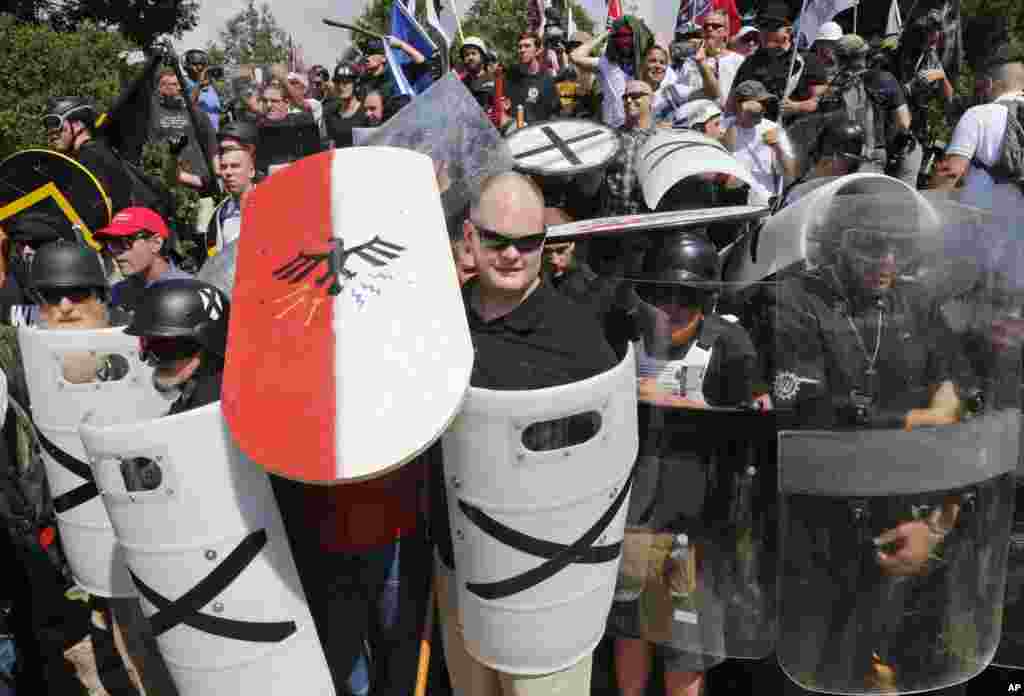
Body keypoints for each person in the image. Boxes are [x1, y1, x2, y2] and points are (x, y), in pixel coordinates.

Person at [434, 171, 617, 696]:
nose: (512, 255)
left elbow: (606, 467)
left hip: (547, 577)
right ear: (469, 237)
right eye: (496, 240)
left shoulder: (580, 340)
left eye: (528, 242)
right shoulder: (438, 324)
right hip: (458, 564)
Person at [610, 229, 759, 696]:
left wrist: (677, 402)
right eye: (662, 295)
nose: (672, 308)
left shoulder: (728, 345)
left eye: (687, 297)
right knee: (630, 631)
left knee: (683, 645)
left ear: (707, 299)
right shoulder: (626, 339)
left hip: (691, 527)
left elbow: (753, 422)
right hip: (633, 518)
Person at [29, 240, 181, 696]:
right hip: (93, 538)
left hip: (155, 524)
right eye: (53, 297)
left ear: (100, 296)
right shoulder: (27, 365)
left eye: (78, 293)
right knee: (133, 641)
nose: (66, 305)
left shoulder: (143, 351)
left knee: (177, 642)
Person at [816, 34, 918, 183]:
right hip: (873, 153)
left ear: (837, 59)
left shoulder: (831, 88)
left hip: (838, 157)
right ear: (864, 55)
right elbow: (903, 122)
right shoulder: (885, 79)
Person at [932, 53, 1024, 211]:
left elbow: (951, 172)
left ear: (989, 83)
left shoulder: (979, 114)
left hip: (986, 224)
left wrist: (932, 207)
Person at [124, 278, 229, 414]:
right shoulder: (194, 394)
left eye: (165, 348)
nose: (151, 361)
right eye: (146, 344)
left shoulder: (211, 412)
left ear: (210, 343)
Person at [94, 207, 192, 314]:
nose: (116, 252)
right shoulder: (117, 292)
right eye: (111, 244)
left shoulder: (190, 291)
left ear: (156, 243)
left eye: (124, 242)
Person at [728, 3, 816, 122]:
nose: (764, 31)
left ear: (788, 32)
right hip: (752, 132)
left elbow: (820, 101)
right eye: (761, 26)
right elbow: (732, 101)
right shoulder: (750, 62)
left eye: (772, 27)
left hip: (790, 133)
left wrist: (797, 107)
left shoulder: (808, 60)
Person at [44, 97, 133, 212]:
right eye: (48, 127)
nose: (51, 133)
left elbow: (98, 208)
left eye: (55, 124)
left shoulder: (91, 155)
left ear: (78, 125)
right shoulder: (96, 151)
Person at [571, 16, 655, 128]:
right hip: (613, 131)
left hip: (641, 130)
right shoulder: (606, 64)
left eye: (627, 36)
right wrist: (604, 34)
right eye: (618, 36)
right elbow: (575, 56)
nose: (623, 40)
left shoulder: (648, 63)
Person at [725, 80, 797, 204]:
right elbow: (724, 149)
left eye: (765, 103)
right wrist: (739, 119)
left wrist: (777, 147)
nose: (763, 108)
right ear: (740, 105)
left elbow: (790, 172)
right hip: (731, 202)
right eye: (758, 103)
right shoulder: (725, 125)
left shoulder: (773, 128)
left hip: (766, 204)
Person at [602, 80, 658, 216]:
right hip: (615, 219)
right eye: (625, 97)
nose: (628, 100)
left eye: (635, 96)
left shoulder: (660, 138)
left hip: (648, 219)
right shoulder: (611, 138)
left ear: (651, 100)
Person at [206, 122, 258, 256]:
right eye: (223, 167)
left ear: (252, 170)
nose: (227, 173)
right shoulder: (218, 215)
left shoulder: (274, 204)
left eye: (235, 166)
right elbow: (214, 257)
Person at [506, 32, 562, 125]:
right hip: (513, 133)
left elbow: (554, 113)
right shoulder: (510, 74)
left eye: (527, 46)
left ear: (538, 50)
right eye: (520, 47)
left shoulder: (546, 79)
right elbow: (502, 108)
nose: (522, 50)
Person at [360, 37, 428, 100]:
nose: (366, 58)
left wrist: (401, 45)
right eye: (365, 55)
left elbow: (422, 63)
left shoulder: (400, 73)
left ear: (383, 58)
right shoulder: (367, 86)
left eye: (371, 53)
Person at [323, 64, 367, 149]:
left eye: (346, 82)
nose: (341, 86)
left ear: (356, 84)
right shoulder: (331, 113)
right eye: (337, 82)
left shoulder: (366, 112)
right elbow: (331, 146)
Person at [182, 49, 222, 132]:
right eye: (195, 64)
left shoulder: (210, 84)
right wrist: (200, 84)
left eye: (202, 64)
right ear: (186, 65)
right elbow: (187, 105)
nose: (199, 67)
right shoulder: (183, 82)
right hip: (195, 133)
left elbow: (222, 106)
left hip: (213, 133)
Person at [286, 71, 324, 137]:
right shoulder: (282, 106)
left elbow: (301, 103)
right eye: (288, 83)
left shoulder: (315, 104)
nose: (289, 86)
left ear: (304, 88)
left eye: (293, 83)